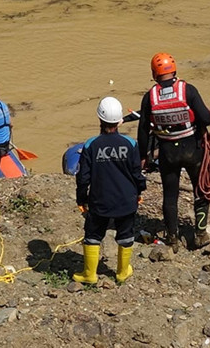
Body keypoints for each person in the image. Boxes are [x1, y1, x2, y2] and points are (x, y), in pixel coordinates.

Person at [138, 53, 210, 251]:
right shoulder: (187, 90)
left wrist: (143, 157)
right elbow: (206, 118)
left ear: (154, 73)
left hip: (167, 154)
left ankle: (172, 238)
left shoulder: (150, 96)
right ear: (174, 70)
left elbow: (143, 130)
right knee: (201, 190)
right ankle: (200, 234)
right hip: (192, 150)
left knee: (170, 196)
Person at [74, 97, 146, 284]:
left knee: (93, 235)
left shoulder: (91, 145)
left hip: (99, 201)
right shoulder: (130, 144)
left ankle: (90, 274)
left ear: (100, 119)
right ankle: (122, 272)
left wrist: (81, 199)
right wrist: (139, 192)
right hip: (126, 200)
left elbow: (83, 178)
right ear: (119, 121)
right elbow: (137, 173)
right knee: (126, 234)